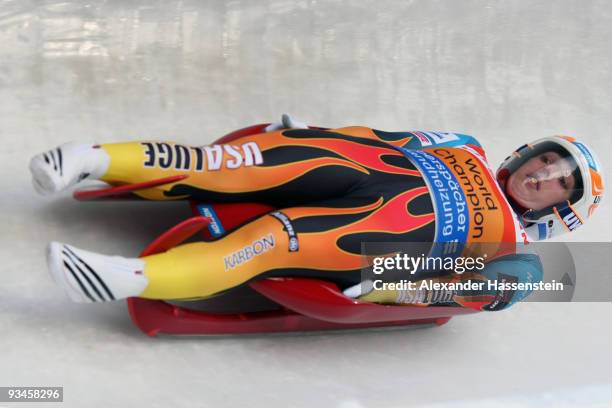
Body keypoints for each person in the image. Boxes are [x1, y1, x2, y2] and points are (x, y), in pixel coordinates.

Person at [30, 115, 604, 311]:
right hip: (348, 163)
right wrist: (312, 130)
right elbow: (382, 137)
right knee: (228, 161)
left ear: (562, 209)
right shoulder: (466, 144)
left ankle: (123, 279)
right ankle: (91, 158)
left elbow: (471, 288)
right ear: (528, 153)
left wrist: (382, 286)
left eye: (560, 183)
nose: (543, 175)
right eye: (547, 160)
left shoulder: (519, 254)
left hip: (376, 239)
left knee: (272, 241)